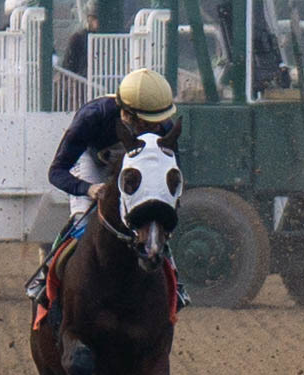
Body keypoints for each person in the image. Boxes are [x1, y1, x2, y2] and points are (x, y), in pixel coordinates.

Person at [30, 67, 189, 309]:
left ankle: (175, 284)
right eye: (148, 123)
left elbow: (174, 172)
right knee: (82, 221)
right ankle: (46, 276)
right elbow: (56, 172)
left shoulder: (164, 128)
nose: (156, 129)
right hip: (94, 164)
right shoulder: (93, 117)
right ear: (127, 115)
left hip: (134, 172)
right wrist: (88, 188)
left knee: (156, 220)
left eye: (159, 123)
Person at [62, 1, 98, 78]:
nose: (96, 22)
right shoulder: (77, 38)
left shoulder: (77, 37)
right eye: (94, 18)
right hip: (81, 80)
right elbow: (68, 67)